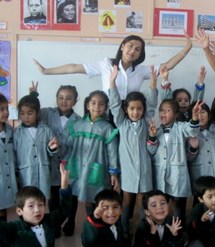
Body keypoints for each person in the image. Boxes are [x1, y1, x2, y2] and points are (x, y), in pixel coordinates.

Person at [33, 34, 193, 101]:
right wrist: (46, 71)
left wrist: (187, 48)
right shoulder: (106, 64)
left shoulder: (141, 71)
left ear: (140, 54)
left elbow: (167, 66)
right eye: (130, 46)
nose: (133, 51)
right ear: (122, 46)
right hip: (106, 114)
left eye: (138, 50)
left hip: (130, 115)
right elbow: (74, 67)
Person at [108, 65, 157, 241]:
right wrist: (112, 82)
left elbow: (151, 103)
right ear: (126, 110)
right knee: (126, 201)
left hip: (144, 170)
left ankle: (142, 231)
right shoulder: (122, 123)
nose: (135, 112)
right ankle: (123, 231)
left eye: (139, 109)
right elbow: (114, 105)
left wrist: (153, 82)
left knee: (141, 202)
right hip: (128, 171)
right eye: (131, 109)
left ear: (143, 110)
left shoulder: (147, 123)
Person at [29, 82, 81, 237]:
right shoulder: (46, 113)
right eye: (61, 97)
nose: (64, 101)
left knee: (71, 195)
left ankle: (70, 222)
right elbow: (32, 111)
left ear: (75, 101)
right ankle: (55, 225)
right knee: (53, 197)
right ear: (56, 98)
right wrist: (33, 96)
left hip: (71, 163)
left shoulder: (80, 120)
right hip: (51, 163)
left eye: (69, 98)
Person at [65, 90, 119, 236]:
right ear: (88, 105)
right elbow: (68, 145)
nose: (97, 106)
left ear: (106, 107)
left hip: (96, 167)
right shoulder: (77, 124)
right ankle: (70, 222)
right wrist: (63, 158)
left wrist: (113, 172)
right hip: (76, 167)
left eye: (101, 104)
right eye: (93, 103)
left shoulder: (107, 128)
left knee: (91, 199)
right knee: (72, 197)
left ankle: (94, 228)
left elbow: (112, 152)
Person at [147, 99, 202, 225]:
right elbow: (151, 150)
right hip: (161, 174)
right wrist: (152, 136)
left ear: (176, 114)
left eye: (168, 110)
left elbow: (192, 130)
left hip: (177, 175)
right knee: (161, 205)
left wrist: (194, 117)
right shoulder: (156, 130)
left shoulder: (180, 127)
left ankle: (179, 232)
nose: (163, 113)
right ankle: (162, 230)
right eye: (161, 110)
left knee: (178, 207)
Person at [0, 163, 71, 247]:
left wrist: (64, 187)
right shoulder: (14, 228)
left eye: (40, 205)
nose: (37, 210)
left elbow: (64, 210)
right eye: (31, 206)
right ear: (19, 211)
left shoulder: (49, 221)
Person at [13, 94, 58, 199]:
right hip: (26, 173)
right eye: (22, 113)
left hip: (43, 172)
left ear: (37, 113)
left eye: (30, 113)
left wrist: (52, 148)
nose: (26, 117)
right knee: (28, 200)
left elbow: (51, 152)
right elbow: (14, 153)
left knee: (43, 200)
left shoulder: (46, 130)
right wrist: (15, 173)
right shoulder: (17, 133)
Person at [187, 176, 215, 247]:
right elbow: (191, 233)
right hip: (201, 242)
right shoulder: (197, 210)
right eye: (210, 197)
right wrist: (201, 221)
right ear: (201, 199)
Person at [0, 94, 18, 222]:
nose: (6, 112)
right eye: (1, 109)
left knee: (3, 210)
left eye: (6, 108)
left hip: (7, 178)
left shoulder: (10, 130)